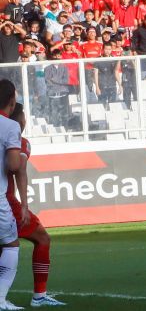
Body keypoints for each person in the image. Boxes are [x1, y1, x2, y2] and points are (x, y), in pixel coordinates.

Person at [6, 103, 65, 307]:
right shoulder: (18, 140)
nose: (25, 121)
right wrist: (24, 205)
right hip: (5, 201)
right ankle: (39, 296)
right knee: (42, 238)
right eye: (23, 116)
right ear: (18, 118)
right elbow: (19, 169)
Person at [0, 79, 24, 311]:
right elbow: (14, 164)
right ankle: (0, 300)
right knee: (10, 245)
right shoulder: (10, 126)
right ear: (12, 100)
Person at [93, 43, 121, 109]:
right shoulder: (98, 59)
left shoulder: (114, 59)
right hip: (102, 86)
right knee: (101, 106)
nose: (107, 51)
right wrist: (97, 87)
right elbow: (95, 74)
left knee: (113, 106)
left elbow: (116, 72)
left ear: (111, 50)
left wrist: (120, 85)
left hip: (112, 85)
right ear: (103, 49)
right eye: (106, 49)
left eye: (109, 49)